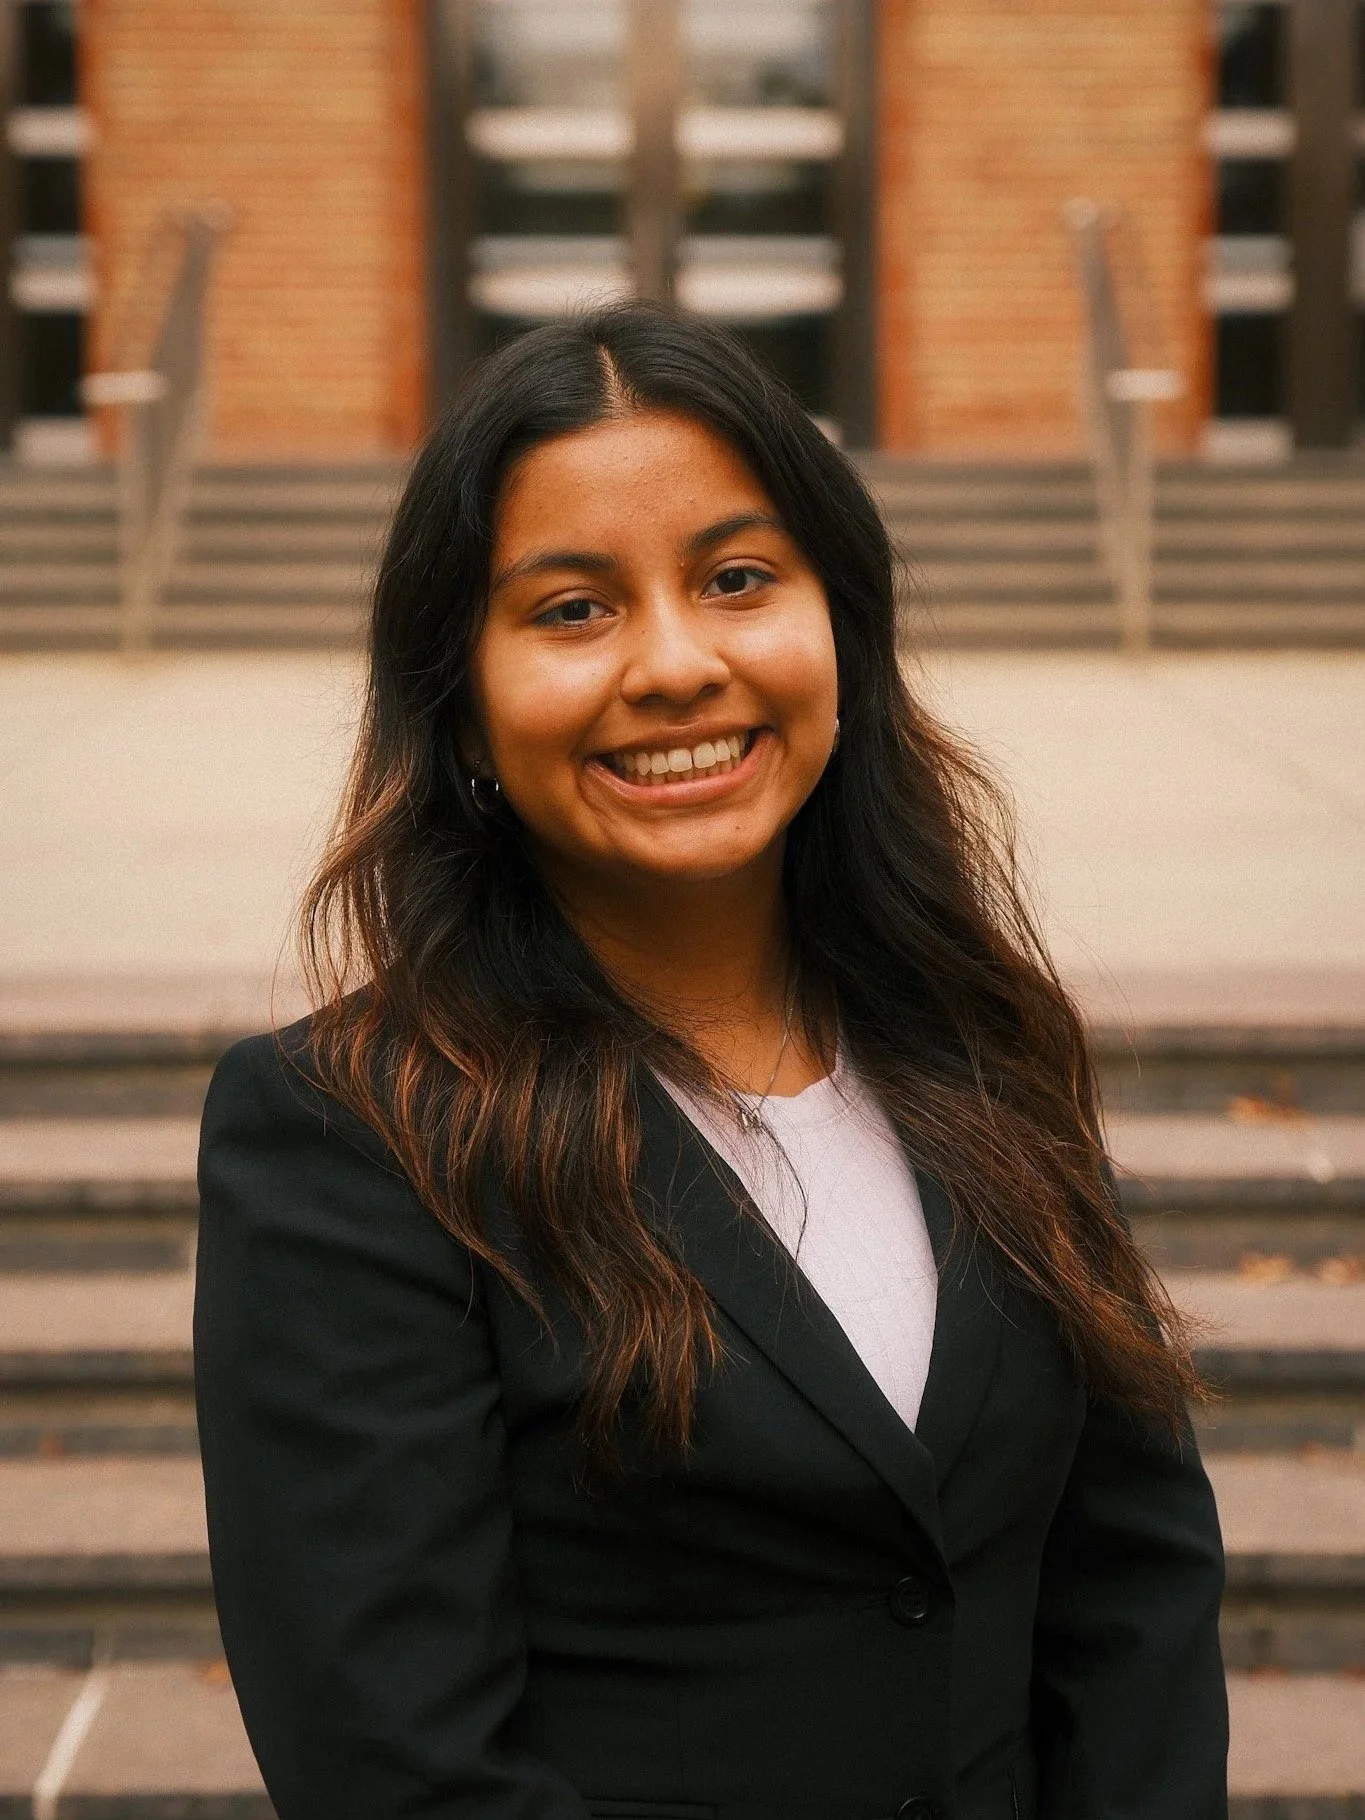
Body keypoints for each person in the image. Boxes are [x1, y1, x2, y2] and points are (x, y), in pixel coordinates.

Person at [194, 303, 1227, 1820]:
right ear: (463, 703)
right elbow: (400, 1773)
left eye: (737, 580)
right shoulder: (350, 1138)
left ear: (839, 628)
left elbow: (1133, 1600)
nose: (676, 666)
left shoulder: (983, 1047)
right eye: (572, 609)